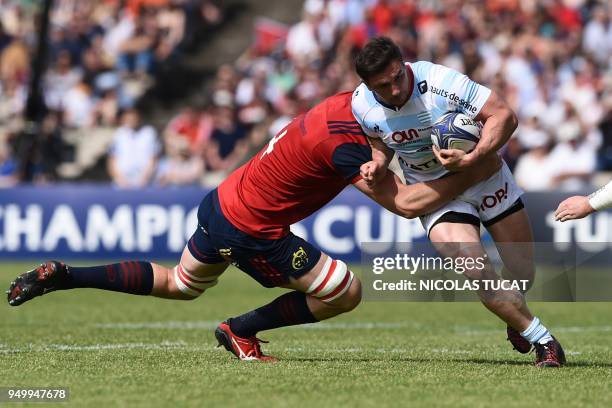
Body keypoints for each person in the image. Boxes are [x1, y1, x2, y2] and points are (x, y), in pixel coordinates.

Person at [7, 92, 499, 362]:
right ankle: (240, 330)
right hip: (253, 228)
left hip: (222, 200)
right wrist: (471, 171)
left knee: (179, 284)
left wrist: (382, 152)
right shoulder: (345, 147)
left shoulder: (339, 106)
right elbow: (409, 205)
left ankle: (66, 274)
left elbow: (376, 138)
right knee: (347, 291)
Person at [351, 37, 564, 367]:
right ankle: (544, 340)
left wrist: (475, 155)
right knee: (476, 269)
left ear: (404, 64)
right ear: (367, 86)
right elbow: (380, 141)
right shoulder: (361, 104)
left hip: (485, 175)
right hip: (435, 192)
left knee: (523, 273)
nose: (395, 90)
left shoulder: (440, 82)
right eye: (383, 86)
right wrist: (378, 162)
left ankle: (514, 316)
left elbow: (504, 116)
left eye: (398, 78)